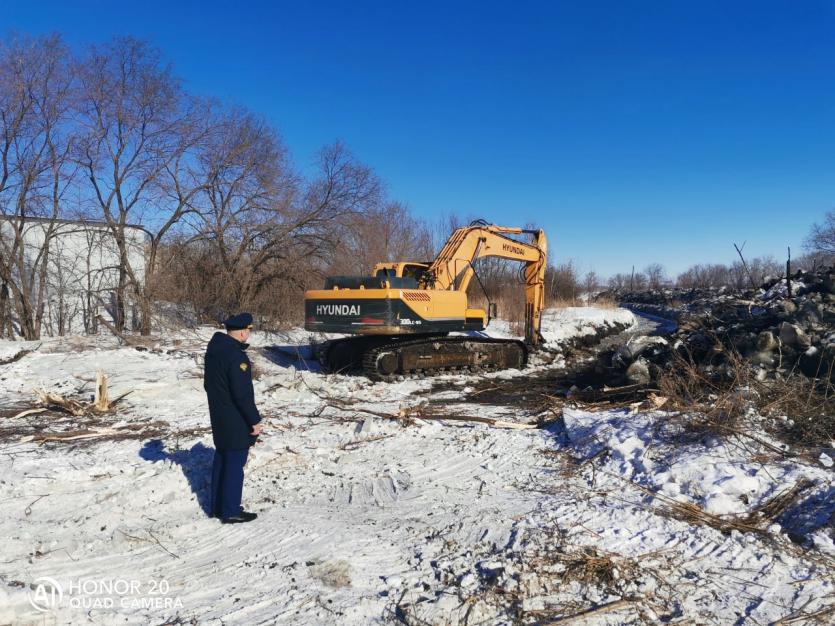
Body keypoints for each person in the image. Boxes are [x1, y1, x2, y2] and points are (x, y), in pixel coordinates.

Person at [203, 312, 262, 524]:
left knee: (222, 458)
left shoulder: (215, 349)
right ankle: (230, 510)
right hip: (235, 417)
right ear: (243, 332)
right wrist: (254, 420)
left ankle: (217, 507)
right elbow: (242, 393)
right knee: (235, 463)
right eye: (248, 330)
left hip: (218, 413)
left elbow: (208, 385)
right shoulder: (235, 356)